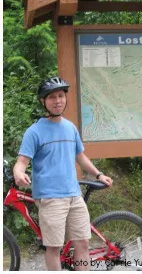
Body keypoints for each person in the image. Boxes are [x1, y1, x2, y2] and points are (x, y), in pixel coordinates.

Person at [12, 77, 113, 271]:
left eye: (60, 96)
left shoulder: (70, 127)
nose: (57, 100)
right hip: (50, 197)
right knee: (54, 247)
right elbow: (21, 162)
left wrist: (98, 174)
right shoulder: (34, 132)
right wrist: (19, 174)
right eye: (52, 97)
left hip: (74, 195)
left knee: (82, 242)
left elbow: (81, 157)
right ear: (43, 101)